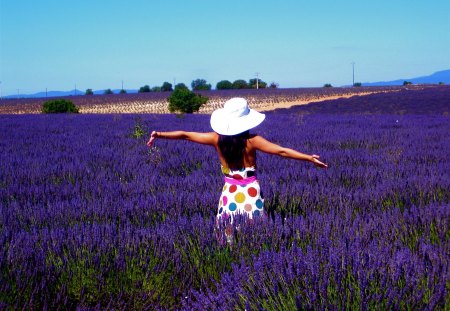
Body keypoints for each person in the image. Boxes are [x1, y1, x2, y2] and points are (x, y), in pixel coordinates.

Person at [147, 98, 327, 240]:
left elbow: (185, 135)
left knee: (227, 228)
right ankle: (254, 253)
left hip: (230, 191)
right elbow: (281, 151)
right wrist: (309, 158)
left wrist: (159, 134)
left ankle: (230, 255)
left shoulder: (216, 139)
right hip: (250, 191)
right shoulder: (252, 141)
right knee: (254, 227)